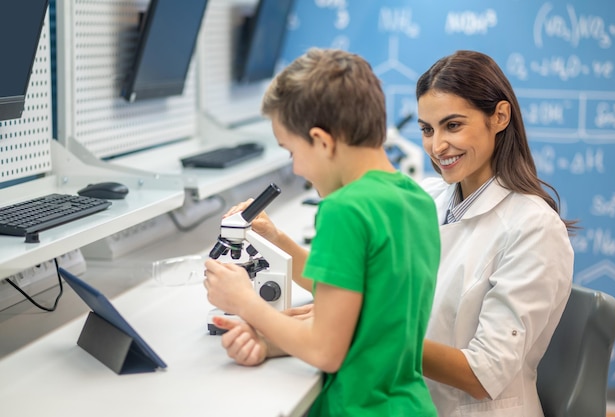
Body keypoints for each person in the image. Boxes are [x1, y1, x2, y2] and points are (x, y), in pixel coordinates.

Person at [203, 48, 441, 417]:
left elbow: (325, 351)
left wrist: (243, 302)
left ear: (322, 140)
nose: (296, 169)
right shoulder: (414, 199)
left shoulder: (343, 210)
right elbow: (354, 293)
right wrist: (278, 241)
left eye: (292, 152)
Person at [416, 50, 576, 416]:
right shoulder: (427, 198)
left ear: (499, 116)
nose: (437, 146)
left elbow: (483, 374)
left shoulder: (534, 227)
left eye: (453, 126)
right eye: (427, 129)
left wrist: (373, 334)